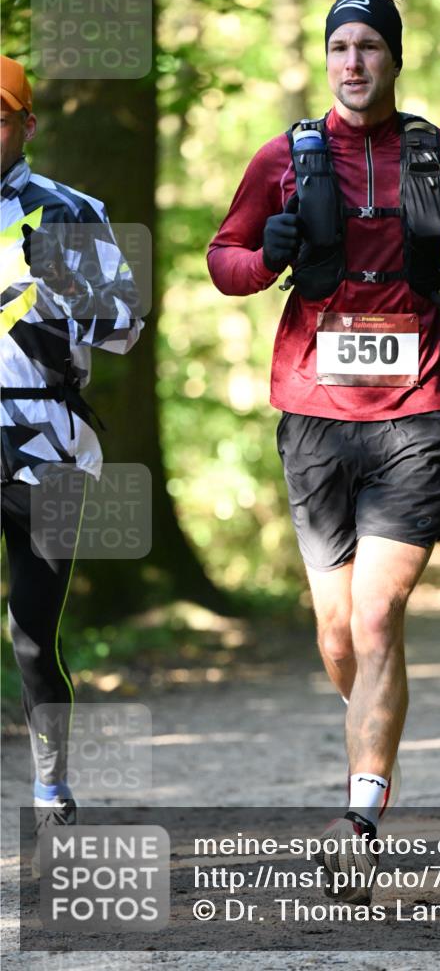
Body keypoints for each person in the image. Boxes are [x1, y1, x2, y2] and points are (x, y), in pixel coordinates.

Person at [208, 0, 440, 903]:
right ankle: (369, 721)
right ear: (326, 57)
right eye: (340, 45)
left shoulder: (438, 154)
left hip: (414, 412)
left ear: (394, 57)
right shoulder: (285, 157)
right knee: (337, 631)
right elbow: (225, 258)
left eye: (369, 45)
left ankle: (360, 818)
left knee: (377, 618)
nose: (352, 61)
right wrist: (269, 256)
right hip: (312, 411)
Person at [0, 56, 143, 862]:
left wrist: (71, 288)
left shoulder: (68, 210)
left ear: (26, 124)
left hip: (48, 443)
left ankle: (51, 786)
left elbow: (124, 330)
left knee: (31, 631)